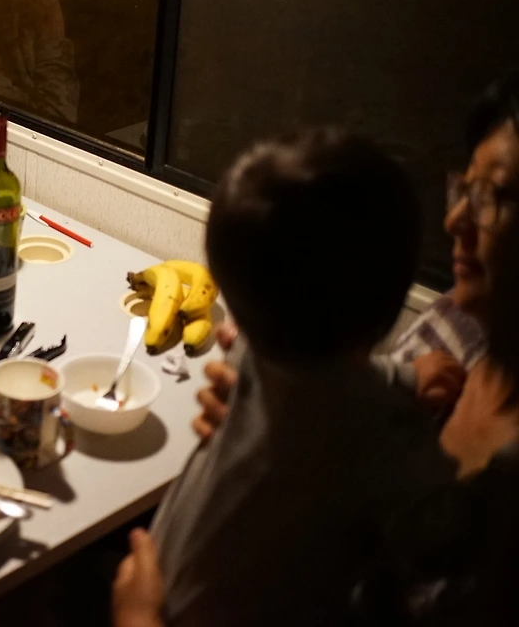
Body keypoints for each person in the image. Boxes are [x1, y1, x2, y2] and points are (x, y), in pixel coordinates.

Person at [146, 128, 456, 626]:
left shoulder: (252, 350)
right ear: (386, 303)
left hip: (164, 580)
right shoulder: (386, 434)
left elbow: (327, 383)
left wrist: (403, 378)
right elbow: (444, 535)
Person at [191, 73, 519, 443]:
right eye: (466, 188)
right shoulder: (451, 326)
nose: (454, 220)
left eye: (493, 196)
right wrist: (262, 415)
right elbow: (350, 391)